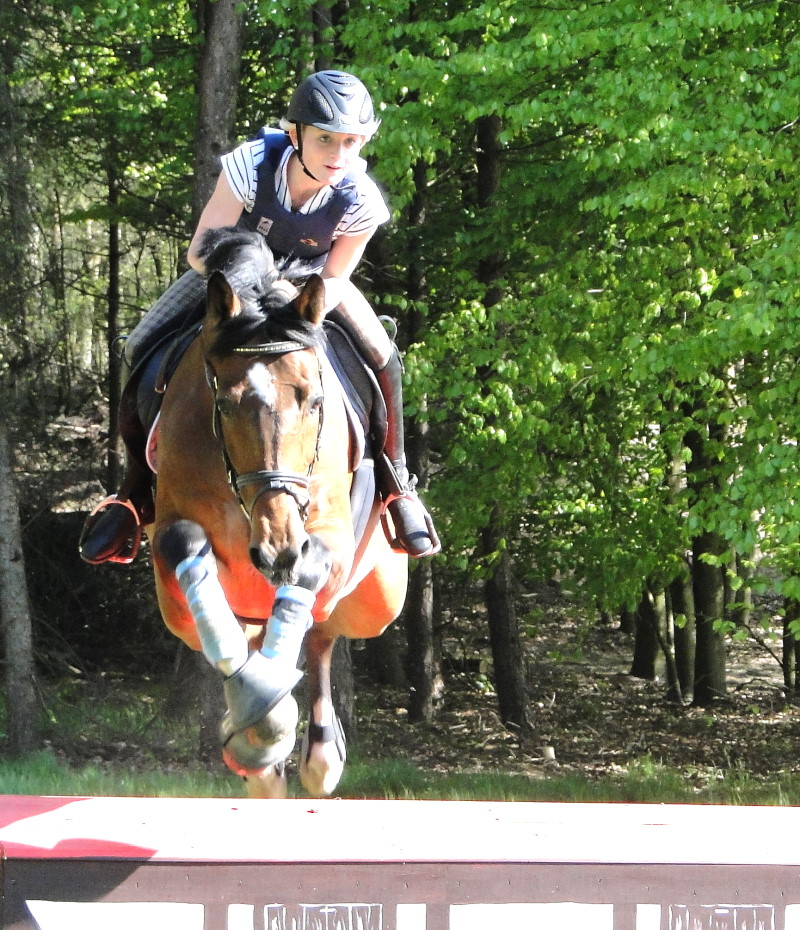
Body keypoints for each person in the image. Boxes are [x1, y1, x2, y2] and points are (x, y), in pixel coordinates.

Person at [80, 69, 440, 565]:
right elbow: (201, 250)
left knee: (384, 357)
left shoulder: (362, 199)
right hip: (232, 279)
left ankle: (399, 486)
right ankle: (134, 493)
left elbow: (336, 278)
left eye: (351, 142)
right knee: (140, 343)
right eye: (325, 140)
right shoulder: (251, 164)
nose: (338, 156)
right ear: (296, 134)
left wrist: (292, 300)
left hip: (310, 290)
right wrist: (254, 287)